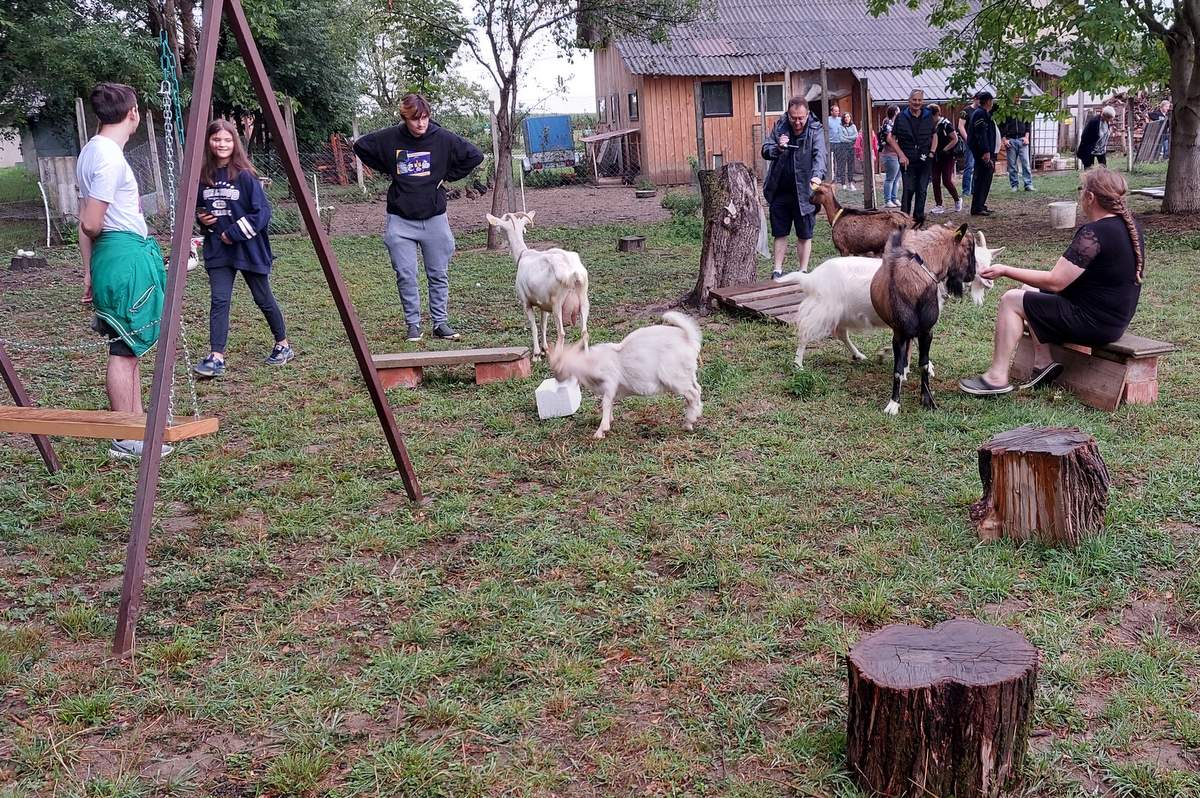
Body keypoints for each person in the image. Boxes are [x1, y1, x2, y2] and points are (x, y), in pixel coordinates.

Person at [959, 167, 1144, 396]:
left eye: (1081, 190)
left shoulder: (1093, 234)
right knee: (1028, 289)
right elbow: (1064, 280)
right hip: (1111, 320)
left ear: (1090, 197)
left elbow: (1056, 282)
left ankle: (996, 378)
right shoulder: (1129, 226)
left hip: (1093, 323)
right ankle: (1043, 364)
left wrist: (1005, 270)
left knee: (1010, 300)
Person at [76, 83, 171, 461]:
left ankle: (135, 427)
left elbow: (84, 218)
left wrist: (87, 271)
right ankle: (126, 436)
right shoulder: (109, 158)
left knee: (126, 343)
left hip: (110, 257)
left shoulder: (91, 151)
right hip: (122, 255)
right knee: (125, 348)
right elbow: (91, 222)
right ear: (133, 113)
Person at [353, 93, 484, 342]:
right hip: (400, 220)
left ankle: (440, 323)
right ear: (405, 118)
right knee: (406, 274)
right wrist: (389, 168)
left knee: (438, 273)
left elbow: (475, 155)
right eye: (415, 119)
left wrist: (446, 175)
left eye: (424, 118)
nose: (421, 124)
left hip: (434, 218)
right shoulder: (391, 137)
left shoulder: (442, 138)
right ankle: (413, 325)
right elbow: (360, 146)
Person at [192, 120, 293, 378]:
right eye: (216, 140)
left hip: (248, 248)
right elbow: (200, 208)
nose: (221, 144)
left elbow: (262, 213)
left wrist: (233, 234)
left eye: (227, 140)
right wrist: (201, 218)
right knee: (219, 300)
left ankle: (283, 344)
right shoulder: (203, 176)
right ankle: (216, 357)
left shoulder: (245, 175)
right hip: (218, 250)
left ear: (234, 143)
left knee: (262, 298)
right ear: (209, 142)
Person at [762, 97, 826, 278]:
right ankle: (777, 271)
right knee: (780, 232)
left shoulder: (815, 129)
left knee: (804, 234)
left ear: (807, 115)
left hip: (805, 192)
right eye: (793, 118)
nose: (797, 122)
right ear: (788, 115)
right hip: (780, 189)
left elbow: (819, 155)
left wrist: (817, 175)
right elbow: (765, 149)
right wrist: (777, 147)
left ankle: (803, 272)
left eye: (801, 118)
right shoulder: (780, 126)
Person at [887, 89, 936, 225]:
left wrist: (932, 152)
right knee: (909, 189)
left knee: (922, 190)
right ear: (909, 101)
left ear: (923, 101)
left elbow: (934, 134)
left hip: (925, 159)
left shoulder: (928, 115)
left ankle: (918, 221)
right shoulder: (901, 117)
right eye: (914, 100)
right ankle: (903, 220)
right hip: (907, 160)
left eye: (919, 100)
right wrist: (901, 154)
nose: (917, 103)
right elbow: (890, 138)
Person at [968, 91, 997, 216]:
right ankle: (977, 207)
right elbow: (981, 134)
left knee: (986, 178)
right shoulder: (980, 114)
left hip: (985, 151)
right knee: (982, 179)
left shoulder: (984, 113)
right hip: (982, 152)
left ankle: (981, 204)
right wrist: (985, 151)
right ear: (989, 101)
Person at [928, 104, 961, 214]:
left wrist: (945, 149)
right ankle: (939, 205)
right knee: (935, 180)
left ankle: (957, 199)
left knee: (946, 180)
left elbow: (954, 139)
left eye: (930, 115)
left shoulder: (945, 124)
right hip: (934, 156)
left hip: (947, 156)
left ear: (936, 113)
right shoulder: (930, 125)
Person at [1000, 107, 1035, 192]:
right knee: (1012, 165)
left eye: (1019, 96)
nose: (1017, 98)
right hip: (1010, 140)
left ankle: (1028, 184)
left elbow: (1028, 125)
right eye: (1015, 95)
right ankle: (1014, 185)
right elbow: (1001, 126)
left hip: (1022, 140)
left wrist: (1027, 138)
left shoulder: (1025, 110)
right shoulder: (1006, 111)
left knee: (1025, 163)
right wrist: (1004, 140)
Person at [877, 106, 902, 207]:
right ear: (895, 112)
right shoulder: (888, 125)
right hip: (890, 154)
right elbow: (889, 139)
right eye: (898, 111)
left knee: (897, 178)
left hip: (898, 154)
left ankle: (894, 198)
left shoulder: (896, 124)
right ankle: (888, 200)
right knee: (890, 178)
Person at [958, 95, 979, 198]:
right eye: (979, 99)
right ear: (975, 99)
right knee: (969, 166)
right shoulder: (966, 110)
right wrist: (968, 139)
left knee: (977, 166)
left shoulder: (982, 111)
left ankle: (975, 190)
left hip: (980, 142)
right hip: (970, 141)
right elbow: (960, 126)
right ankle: (966, 190)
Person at [836, 112, 858, 190]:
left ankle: (850, 182)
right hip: (843, 147)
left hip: (851, 147)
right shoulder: (840, 127)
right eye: (845, 117)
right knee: (843, 165)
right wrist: (850, 138)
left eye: (848, 117)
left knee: (850, 165)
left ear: (850, 118)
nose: (847, 118)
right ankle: (843, 183)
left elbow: (856, 136)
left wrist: (847, 137)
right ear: (843, 118)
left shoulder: (853, 126)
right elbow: (841, 138)